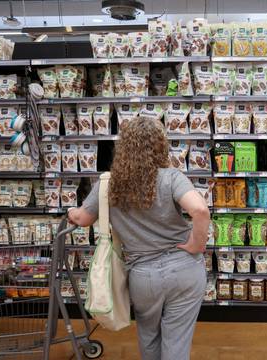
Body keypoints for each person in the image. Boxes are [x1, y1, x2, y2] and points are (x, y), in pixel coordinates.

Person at [68, 117, 210, 360]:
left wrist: (71, 212)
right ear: (160, 145)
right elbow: (200, 210)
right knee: (176, 340)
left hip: (143, 275)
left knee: (149, 335)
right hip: (185, 269)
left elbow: (82, 219)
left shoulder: (108, 183)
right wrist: (196, 245)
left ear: (123, 147)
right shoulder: (171, 177)